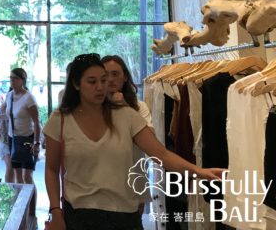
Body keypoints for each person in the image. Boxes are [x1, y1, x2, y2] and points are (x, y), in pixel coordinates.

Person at [43, 53, 223, 230]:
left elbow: (161, 154)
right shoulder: (60, 120)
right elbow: (51, 169)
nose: (100, 87)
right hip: (78, 215)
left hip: (123, 214)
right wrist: (55, 210)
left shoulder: (127, 116)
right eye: (92, 81)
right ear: (76, 84)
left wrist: (199, 171)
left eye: (103, 80)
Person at [2, 68, 40, 185]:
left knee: (27, 176)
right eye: (11, 78)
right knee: (17, 173)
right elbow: (9, 115)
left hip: (27, 139)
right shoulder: (9, 96)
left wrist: (36, 143)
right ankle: (19, 197)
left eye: (15, 78)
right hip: (13, 138)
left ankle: (32, 197)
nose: (12, 81)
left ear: (22, 80)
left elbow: (36, 122)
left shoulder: (29, 98)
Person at [102, 55, 152, 127]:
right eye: (105, 75)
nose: (110, 79)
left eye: (115, 74)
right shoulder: (92, 106)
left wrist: (125, 108)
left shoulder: (139, 106)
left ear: (125, 77)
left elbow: (150, 133)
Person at [0, 88, 13, 182]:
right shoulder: (2, 110)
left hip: (18, 141)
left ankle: (16, 188)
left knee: (18, 170)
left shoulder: (22, 108)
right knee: (10, 167)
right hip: (5, 141)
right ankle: (9, 188)